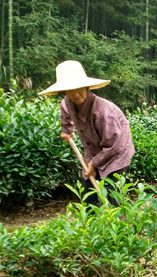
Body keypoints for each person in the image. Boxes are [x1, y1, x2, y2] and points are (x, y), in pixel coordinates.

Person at [39, 60, 135, 206]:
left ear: (87, 87)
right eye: (70, 90)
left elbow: (114, 146)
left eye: (79, 88)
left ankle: (115, 223)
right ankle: (93, 224)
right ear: (64, 91)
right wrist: (66, 130)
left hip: (116, 154)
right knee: (88, 193)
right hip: (95, 151)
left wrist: (94, 163)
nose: (76, 93)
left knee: (111, 193)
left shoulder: (104, 113)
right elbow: (65, 110)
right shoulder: (67, 102)